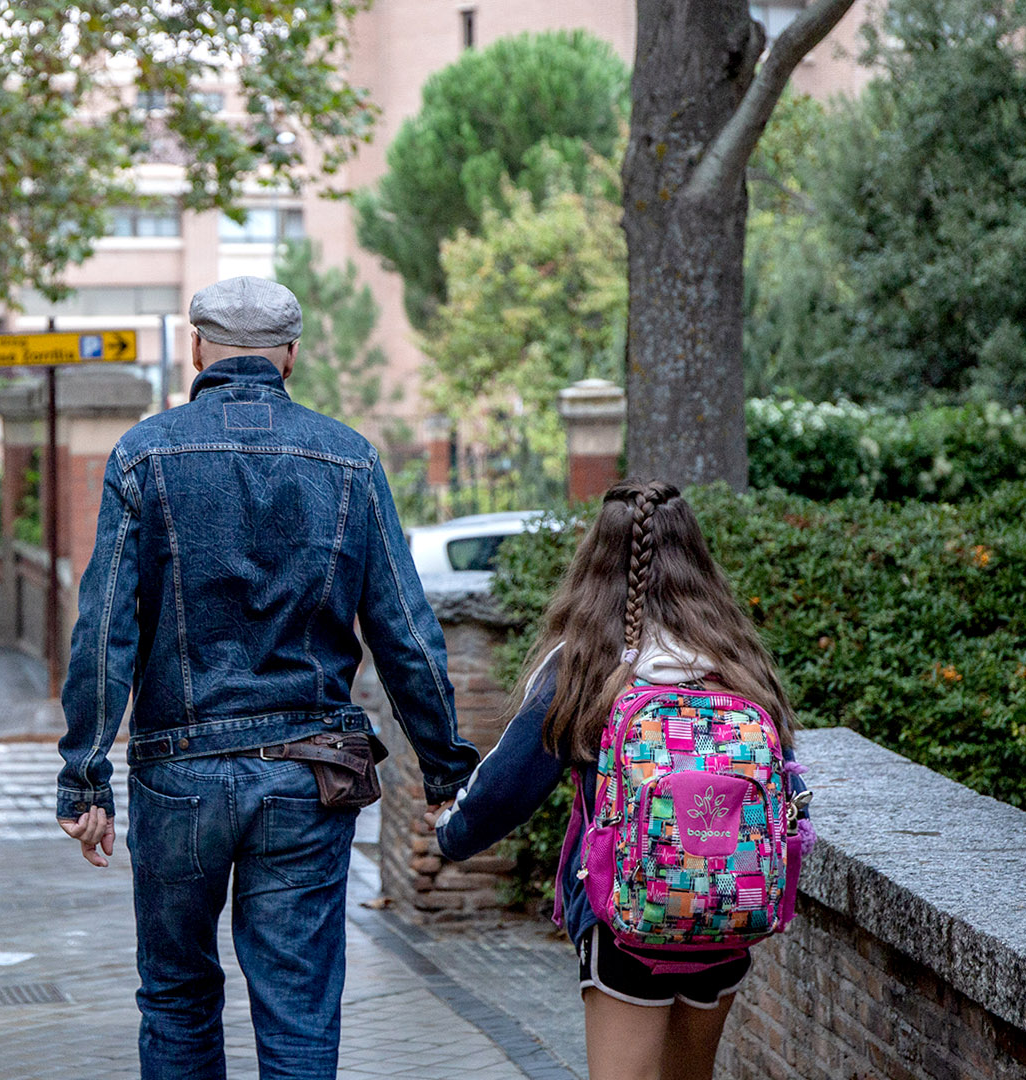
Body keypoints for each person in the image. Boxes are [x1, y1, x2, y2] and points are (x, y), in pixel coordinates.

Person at [56, 275, 483, 1080]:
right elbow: (406, 633)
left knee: (178, 997)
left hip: (176, 775)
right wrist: (445, 767)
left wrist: (84, 781)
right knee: (298, 1005)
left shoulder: (143, 455)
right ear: (290, 356)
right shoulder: (349, 459)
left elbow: (102, 629)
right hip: (307, 773)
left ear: (196, 350)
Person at [431, 479, 810, 1080]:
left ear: (597, 560)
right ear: (696, 556)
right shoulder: (738, 659)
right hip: (731, 912)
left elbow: (507, 786)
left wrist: (451, 834)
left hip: (625, 921)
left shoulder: (585, 662)